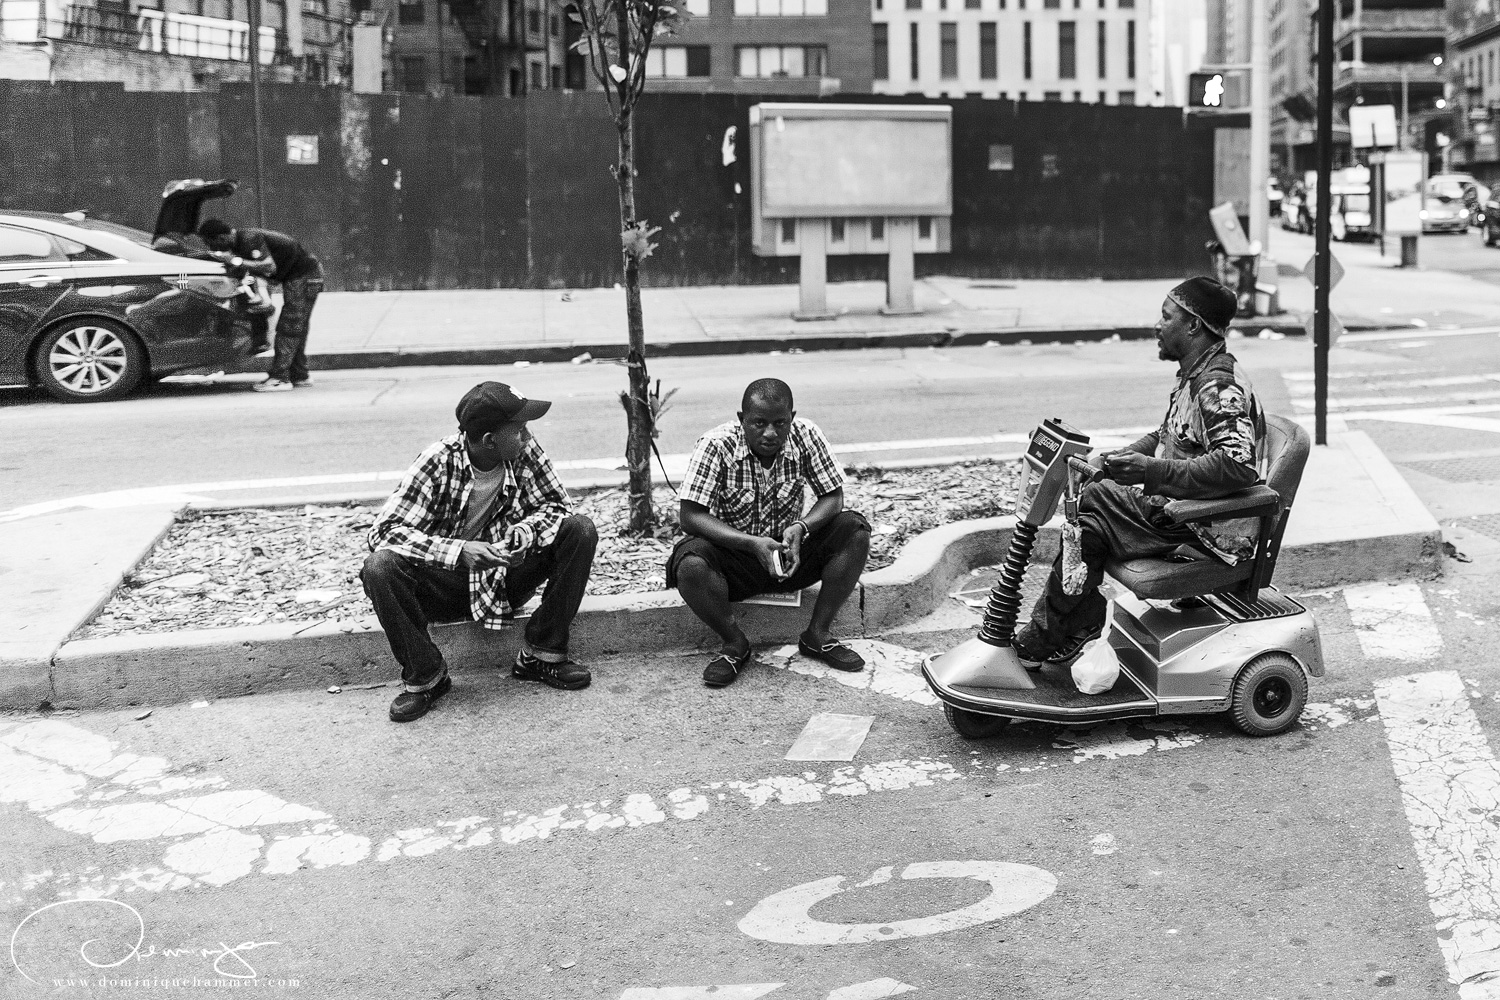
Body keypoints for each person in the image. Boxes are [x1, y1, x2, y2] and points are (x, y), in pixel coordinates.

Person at [1014, 276, 1266, 668]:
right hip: (1177, 509)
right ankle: (1069, 625)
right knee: (1092, 521)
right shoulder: (1195, 374)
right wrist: (1116, 460)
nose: (1157, 326)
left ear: (1193, 325)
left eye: (1166, 318)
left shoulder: (1218, 386)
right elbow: (1166, 436)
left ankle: (1054, 630)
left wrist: (1147, 471)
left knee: (1091, 500)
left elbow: (1237, 465)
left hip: (1202, 524)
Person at [362, 382, 599, 722]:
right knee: (379, 567)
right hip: (446, 585)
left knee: (580, 529)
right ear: (489, 440)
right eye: (519, 430)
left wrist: (524, 534)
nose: (528, 437)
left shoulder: (525, 453)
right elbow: (384, 532)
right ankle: (427, 676)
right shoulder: (437, 461)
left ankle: (541, 655)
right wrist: (458, 551)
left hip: (503, 578)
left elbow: (558, 507)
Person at [668, 378, 871, 688]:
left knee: (853, 529)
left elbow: (833, 497)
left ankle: (817, 634)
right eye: (759, 423)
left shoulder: (806, 435)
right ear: (741, 420)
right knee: (691, 563)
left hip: (791, 556)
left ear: (792, 417)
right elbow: (691, 517)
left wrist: (801, 528)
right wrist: (751, 544)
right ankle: (734, 644)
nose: (770, 433)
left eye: (780, 423)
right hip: (735, 559)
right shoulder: (715, 445)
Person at [198, 219, 324, 393]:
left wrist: (235, 261)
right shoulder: (238, 244)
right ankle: (299, 375)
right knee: (297, 327)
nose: (213, 248)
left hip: (304, 276)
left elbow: (269, 266)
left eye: (211, 243)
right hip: (302, 276)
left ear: (221, 237)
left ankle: (280, 378)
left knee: (289, 326)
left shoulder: (249, 239)